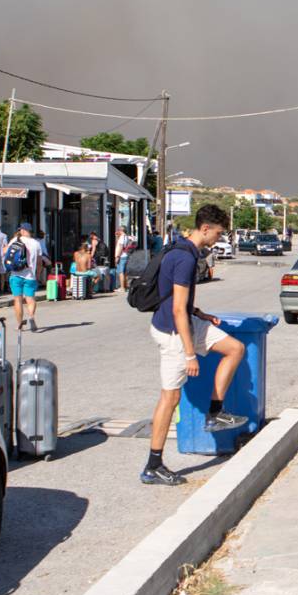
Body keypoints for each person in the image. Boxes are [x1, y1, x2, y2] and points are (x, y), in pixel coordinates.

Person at [143, 204, 247, 486]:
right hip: (174, 333)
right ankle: (153, 465)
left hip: (187, 321)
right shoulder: (185, 258)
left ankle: (215, 413)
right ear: (205, 228)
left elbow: (180, 302)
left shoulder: (183, 250)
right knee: (170, 398)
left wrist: (200, 314)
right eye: (218, 233)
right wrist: (190, 355)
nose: (219, 238)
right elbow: (177, 309)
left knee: (235, 348)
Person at [5, 223, 43, 330]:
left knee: (18, 300)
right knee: (30, 299)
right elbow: (40, 263)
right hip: (30, 276)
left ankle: (19, 324)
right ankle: (31, 316)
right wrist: (37, 275)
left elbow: (6, 253)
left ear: (22, 230)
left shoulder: (14, 241)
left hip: (16, 275)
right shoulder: (36, 243)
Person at [114, 226, 132, 291]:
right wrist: (117, 237)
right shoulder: (126, 237)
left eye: (118, 230)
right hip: (125, 255)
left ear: (121, 230)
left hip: (121, 256)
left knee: (121, 272)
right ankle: (125, 286)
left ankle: (122, 287)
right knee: (124, 272)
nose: (117, 231)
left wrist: (117, 257)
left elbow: (120, 247)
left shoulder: (122, 237)